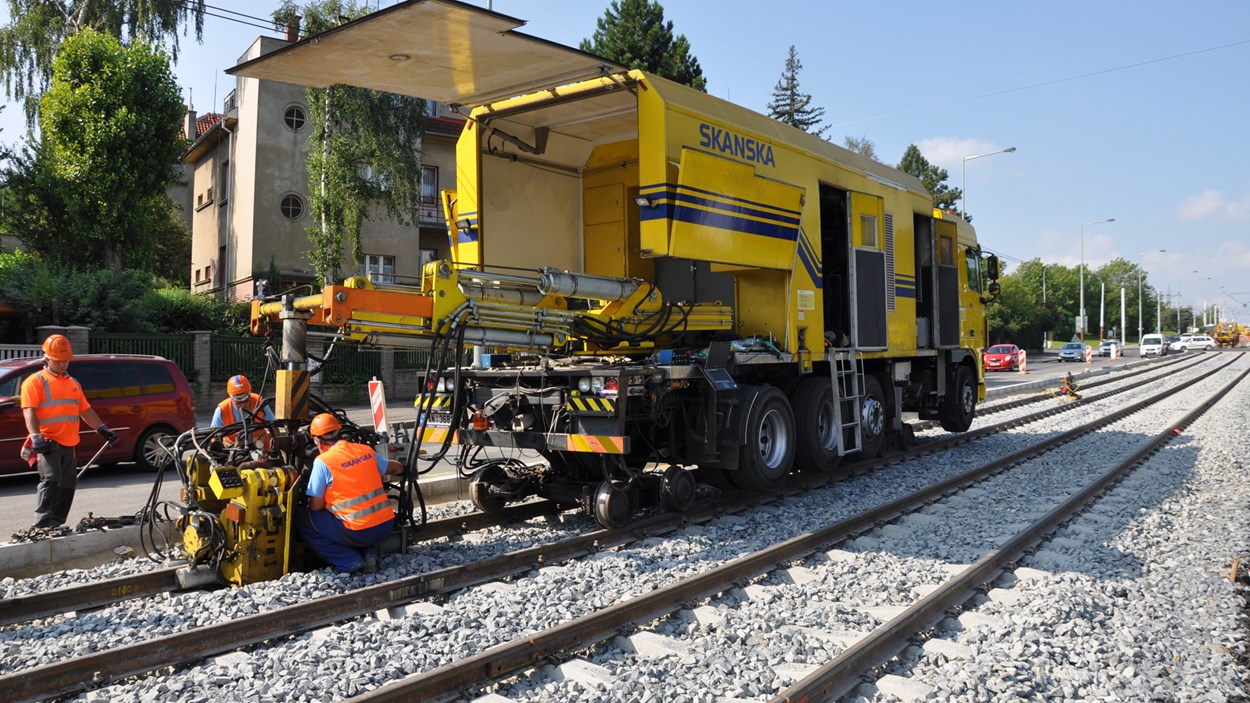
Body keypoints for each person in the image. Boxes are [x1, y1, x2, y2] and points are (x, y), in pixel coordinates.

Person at [20, 334, 119, 529]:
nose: (63, 364)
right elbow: (29, 410)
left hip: (69, 442)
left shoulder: (73, 383)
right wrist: (35, 436)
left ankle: (56, 523)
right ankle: (42, 524)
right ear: (46, 358)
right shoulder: (35, 381)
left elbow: (85, 410)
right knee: (51, 479)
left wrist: (102, 428)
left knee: (67, 485)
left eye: (66, 361)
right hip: (47, 441)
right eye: (59, 361)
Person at [299, 412, 405, 574]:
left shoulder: (323, 462)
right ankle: (370, 554)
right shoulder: (365, 450)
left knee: (303, 519)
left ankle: (348, 561)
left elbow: (316, 506)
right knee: (356, 521)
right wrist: (405, 467)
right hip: (385, 526)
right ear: (339, 432)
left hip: (358, 531)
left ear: (317, 441)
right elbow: (394, 467)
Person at [210, 375, 274, 452]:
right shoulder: (221, 410)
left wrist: (276, 446)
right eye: (238, 403)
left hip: (259, 447)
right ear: (231, 398)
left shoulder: (259, 403)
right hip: (232, 449)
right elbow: (213, 435)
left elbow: (273, 425)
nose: (243, 405)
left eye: (246, 401)